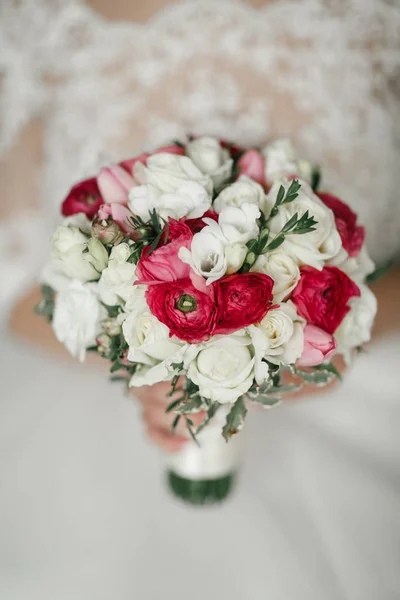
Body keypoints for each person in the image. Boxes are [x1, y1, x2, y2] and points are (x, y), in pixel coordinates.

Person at [1, 1, 400, 598]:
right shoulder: (45, 21)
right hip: (105, 426)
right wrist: (137, 361)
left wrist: (320, 352)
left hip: (366, 387)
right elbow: (18, 286)